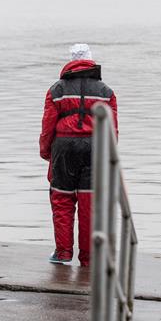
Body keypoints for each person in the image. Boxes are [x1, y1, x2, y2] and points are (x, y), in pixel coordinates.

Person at [39, 44, 118, 267]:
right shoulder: (107, 92)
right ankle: (89, 258)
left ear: (71, 62)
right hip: (96, 149)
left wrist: (46, 151)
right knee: (90, 203)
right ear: (91, 62)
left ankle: (63, 253)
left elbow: (48, 126)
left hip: (64, 148)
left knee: (62, 199)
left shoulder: (56, 90)